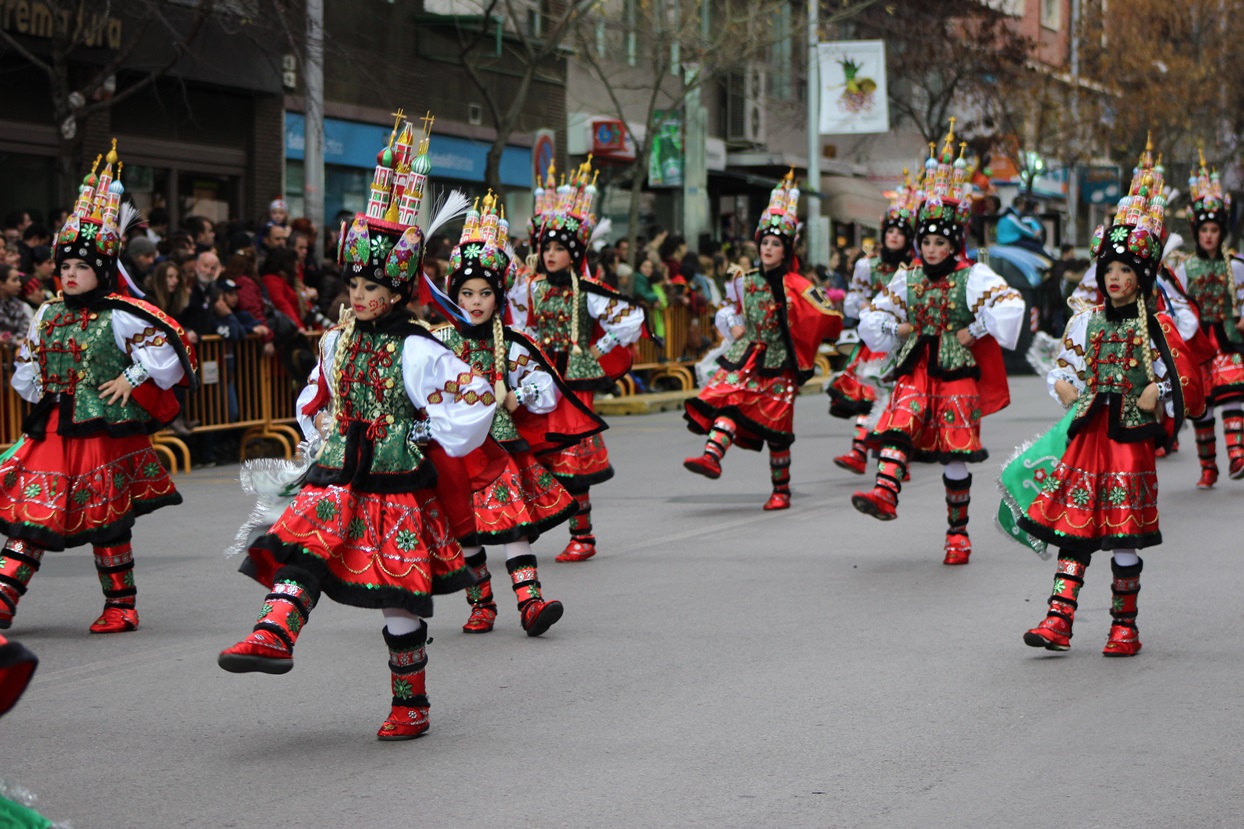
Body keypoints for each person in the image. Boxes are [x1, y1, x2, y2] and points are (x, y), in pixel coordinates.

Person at [218, 112, 498, 741]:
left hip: (395, 479)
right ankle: (272, 635)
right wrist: (321, 428)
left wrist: (429, 433)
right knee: (302, 547)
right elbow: (315, 396)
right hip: (336, 470)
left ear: (398, 291)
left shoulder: (419, 348)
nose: (359, 293)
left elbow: (472, 400)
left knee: (397, 591)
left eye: (372, 283)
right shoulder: (337, 341)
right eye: (353, 281)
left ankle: (411, 704)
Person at [0, 140, 197, 632]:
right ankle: (3, 596)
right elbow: (27, 371)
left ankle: (121, 605)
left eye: (81, 267)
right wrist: (41, 380)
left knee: (105, 520)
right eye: (64, 266)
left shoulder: (122, 314)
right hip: (51, 427)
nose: (69, 274)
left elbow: (175, 346)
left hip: (100, 433)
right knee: (34, 512)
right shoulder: (46, 311)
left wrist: (133, 376)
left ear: (103, 270)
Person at [1011, 149, 1202, 656]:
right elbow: (1063, 368)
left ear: (1141, 275)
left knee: (1122, 536)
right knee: (1074, 527)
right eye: (1107, 269)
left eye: (1124, 269)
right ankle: (1057, 621)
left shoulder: (1156, 327)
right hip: (1089, 434)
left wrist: (1156, 393)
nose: (1114, 278)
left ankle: (1124, 627)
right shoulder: (1085, 321)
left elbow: (1185, 382)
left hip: (1129, 441)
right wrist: (1066, 387)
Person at [851, 121, 1024, 565]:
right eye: (925, 241)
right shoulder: (906, 278)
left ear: (953, 242)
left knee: (955, 450)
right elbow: (874, 318)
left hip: (956, 368)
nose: (930, 248)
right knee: (898, 421)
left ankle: (957, 534)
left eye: (938, 241)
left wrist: (977, 329)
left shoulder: (972, 276)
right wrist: (897, 329)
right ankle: (885, 494)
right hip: (917, 364)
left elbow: (1009, 304)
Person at [437, 195, 604, 634]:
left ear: (498, 296)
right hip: (454, 449)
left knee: (513, 526)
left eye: (485, 293)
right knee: (466, 531)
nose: (475, 301)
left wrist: (517, 394)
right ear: (455, 294)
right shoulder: (437, 343)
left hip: (499, 448)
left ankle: (531, 602)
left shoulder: (509, 341)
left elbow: (545, 388)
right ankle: (481, 605)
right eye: (467, 293)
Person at [683, 172, 844, 510]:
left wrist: (804, 324)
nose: (768, 249)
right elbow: (729, 311)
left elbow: (828, 315)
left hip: (781, 362)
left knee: (777, 429)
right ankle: (712, 456)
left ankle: (781, 490)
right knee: (728, 399)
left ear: (786, 249)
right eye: (764, 243)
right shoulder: (745, 280)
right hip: (748, 355)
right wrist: (733, 325)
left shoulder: (798, 284)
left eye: (775, 244)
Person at [513, 159, 645, 562]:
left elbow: (630, 319)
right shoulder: (532, 288)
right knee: (530, 449)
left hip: (574, 378)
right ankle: (530, 524)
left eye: (558, 248)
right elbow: (523, 326)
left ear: (573, 252)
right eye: (546, 247)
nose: (550, 254)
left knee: (571, 455)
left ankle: (582, 536)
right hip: (541, 376)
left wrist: (593, 351)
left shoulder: (587, 289)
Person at [829, 171, 916, 474]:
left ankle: (895, 457)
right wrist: (864, 306)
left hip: (903, 341)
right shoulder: (868, 265)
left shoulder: (915, 269)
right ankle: (858, 450)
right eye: (890, 230)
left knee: (898, 399)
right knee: (868, 393)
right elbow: (854, 297)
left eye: (900, 232)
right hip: (875, 339)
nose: (893, 236)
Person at [1171, 151, 1244, 488]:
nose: (1210, 235)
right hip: (1197, 343)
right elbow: (1176, 305)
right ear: (1196, 232)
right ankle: (1208, 468)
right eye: (1205, 229)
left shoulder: (1236, 265)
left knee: (1233, 397)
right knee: (1202, 411)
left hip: (1228, 339)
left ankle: (1237, 456)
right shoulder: (1184, 268)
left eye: (1215, 229)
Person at [0, 264, 33, 343]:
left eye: (19, 280)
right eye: (14, 280)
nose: (19, 284)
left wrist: (12, 340)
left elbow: (28, 332)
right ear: (1, 284)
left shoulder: (21, 306)